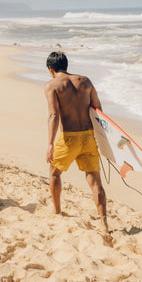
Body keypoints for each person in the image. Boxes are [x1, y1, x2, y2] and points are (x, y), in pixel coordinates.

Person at [44, 51, 108, 232]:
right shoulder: (86, 81)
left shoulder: (52, 85)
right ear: (66, 65)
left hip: (69, 139)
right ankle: (104, 223)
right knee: (95, 181)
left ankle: (57, 212)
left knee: (55, 174)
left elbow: (54, 115)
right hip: (88, 136)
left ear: (51, 69)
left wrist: (50, 143)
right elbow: (98, 109)